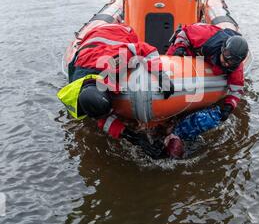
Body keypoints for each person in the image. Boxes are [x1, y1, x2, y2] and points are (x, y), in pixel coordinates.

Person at [57, 23, 174, 158]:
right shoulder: (77, 89)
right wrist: (134, 138)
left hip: (121, 32)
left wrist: (160, 75)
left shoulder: (115, 63)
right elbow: (101, 119)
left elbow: (146, 49)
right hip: (89, 45)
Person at [164, 23, 249, 158]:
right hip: (190, 53)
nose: (226, 63)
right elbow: (184, 34)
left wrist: (229, 106)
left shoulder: (236, 68)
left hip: (205, 63)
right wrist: (180, 48)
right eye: (225, 57)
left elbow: (237, 90)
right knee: (173, 58)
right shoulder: (208, 37)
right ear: (222, 49)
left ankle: (177, 128)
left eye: (231, 62)